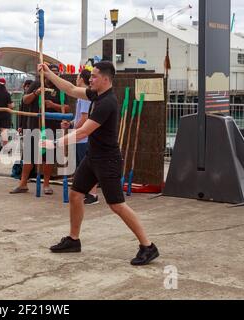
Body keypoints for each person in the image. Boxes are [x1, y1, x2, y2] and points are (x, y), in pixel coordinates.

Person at [40, 61, 159, 266]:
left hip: (108, 160)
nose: (90, 79)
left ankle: (148, 246)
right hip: (93, 156)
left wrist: (55, 143)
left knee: (117, 205)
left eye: (94, 76)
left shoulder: (107, 103)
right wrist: (49, 73)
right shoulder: (96, 95)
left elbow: (84, 131)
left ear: (105, 79)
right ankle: (73, 240)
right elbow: (69, 88)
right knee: (76, 195)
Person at [10, 64, 70, 195]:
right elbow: (25, 100)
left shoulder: (60, 88)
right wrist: (35, 93)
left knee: (48, 158)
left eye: (56, 73)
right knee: (29, 156)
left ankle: (46, 185)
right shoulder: (37, 84)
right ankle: (23, 184)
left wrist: (53, 105)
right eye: (51, 72)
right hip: (34, 126)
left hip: (51, 128)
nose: (54, 75)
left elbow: (67, 107)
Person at [61, 69, 99, 206]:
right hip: (80, 137)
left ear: (81, 79)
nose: (76, 79)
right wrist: (70, 124)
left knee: (87, 167)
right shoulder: (82, 96)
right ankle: (87, 192)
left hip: (83, 139)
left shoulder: (85, 96)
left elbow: (84, 118)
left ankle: (93, 194)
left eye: (77, 76)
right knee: (81, 166)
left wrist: (73, 131)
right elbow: (79, 118)